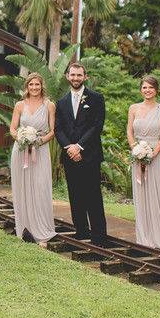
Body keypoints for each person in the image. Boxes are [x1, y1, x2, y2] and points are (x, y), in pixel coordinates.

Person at [54, 62, 108, 245]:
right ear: (67, 76)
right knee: (75, 194)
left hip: (89, 154)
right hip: (70, 155)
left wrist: (80, 146)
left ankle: (99, 235)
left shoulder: (96, 98)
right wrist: (69, 147)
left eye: (79, 75)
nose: (75, 78)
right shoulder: (61, 102)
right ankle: (81, 231)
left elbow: (96, 126)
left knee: (92, 194)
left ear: (85, 77)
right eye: (72, 75)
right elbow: (58, 128)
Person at [127, 75, 160, 249]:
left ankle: (159, 235)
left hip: (156, 154)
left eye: (151, 87)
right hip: (137, 154)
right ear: (141, 89)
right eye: (144, 87)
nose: (147, 90)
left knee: (156, 192)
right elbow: (129, 131)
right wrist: (136, 149)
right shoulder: (133, 108)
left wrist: (153, 153)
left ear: (156, 90)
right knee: (141, 194)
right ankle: (144, 235)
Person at [9, 72, 56, 246]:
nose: (34, 88)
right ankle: (24, 228)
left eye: (37, 84)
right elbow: (13, 128)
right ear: (27, 87)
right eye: (31, 85)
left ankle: (42, 231)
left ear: (41, 86)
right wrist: (22, 138)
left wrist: (38, 141)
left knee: (40, 187)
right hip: (21, 151)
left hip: (40, 151)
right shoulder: (20, 105)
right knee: (22, 188)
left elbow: (52, 131)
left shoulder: (49, 105)